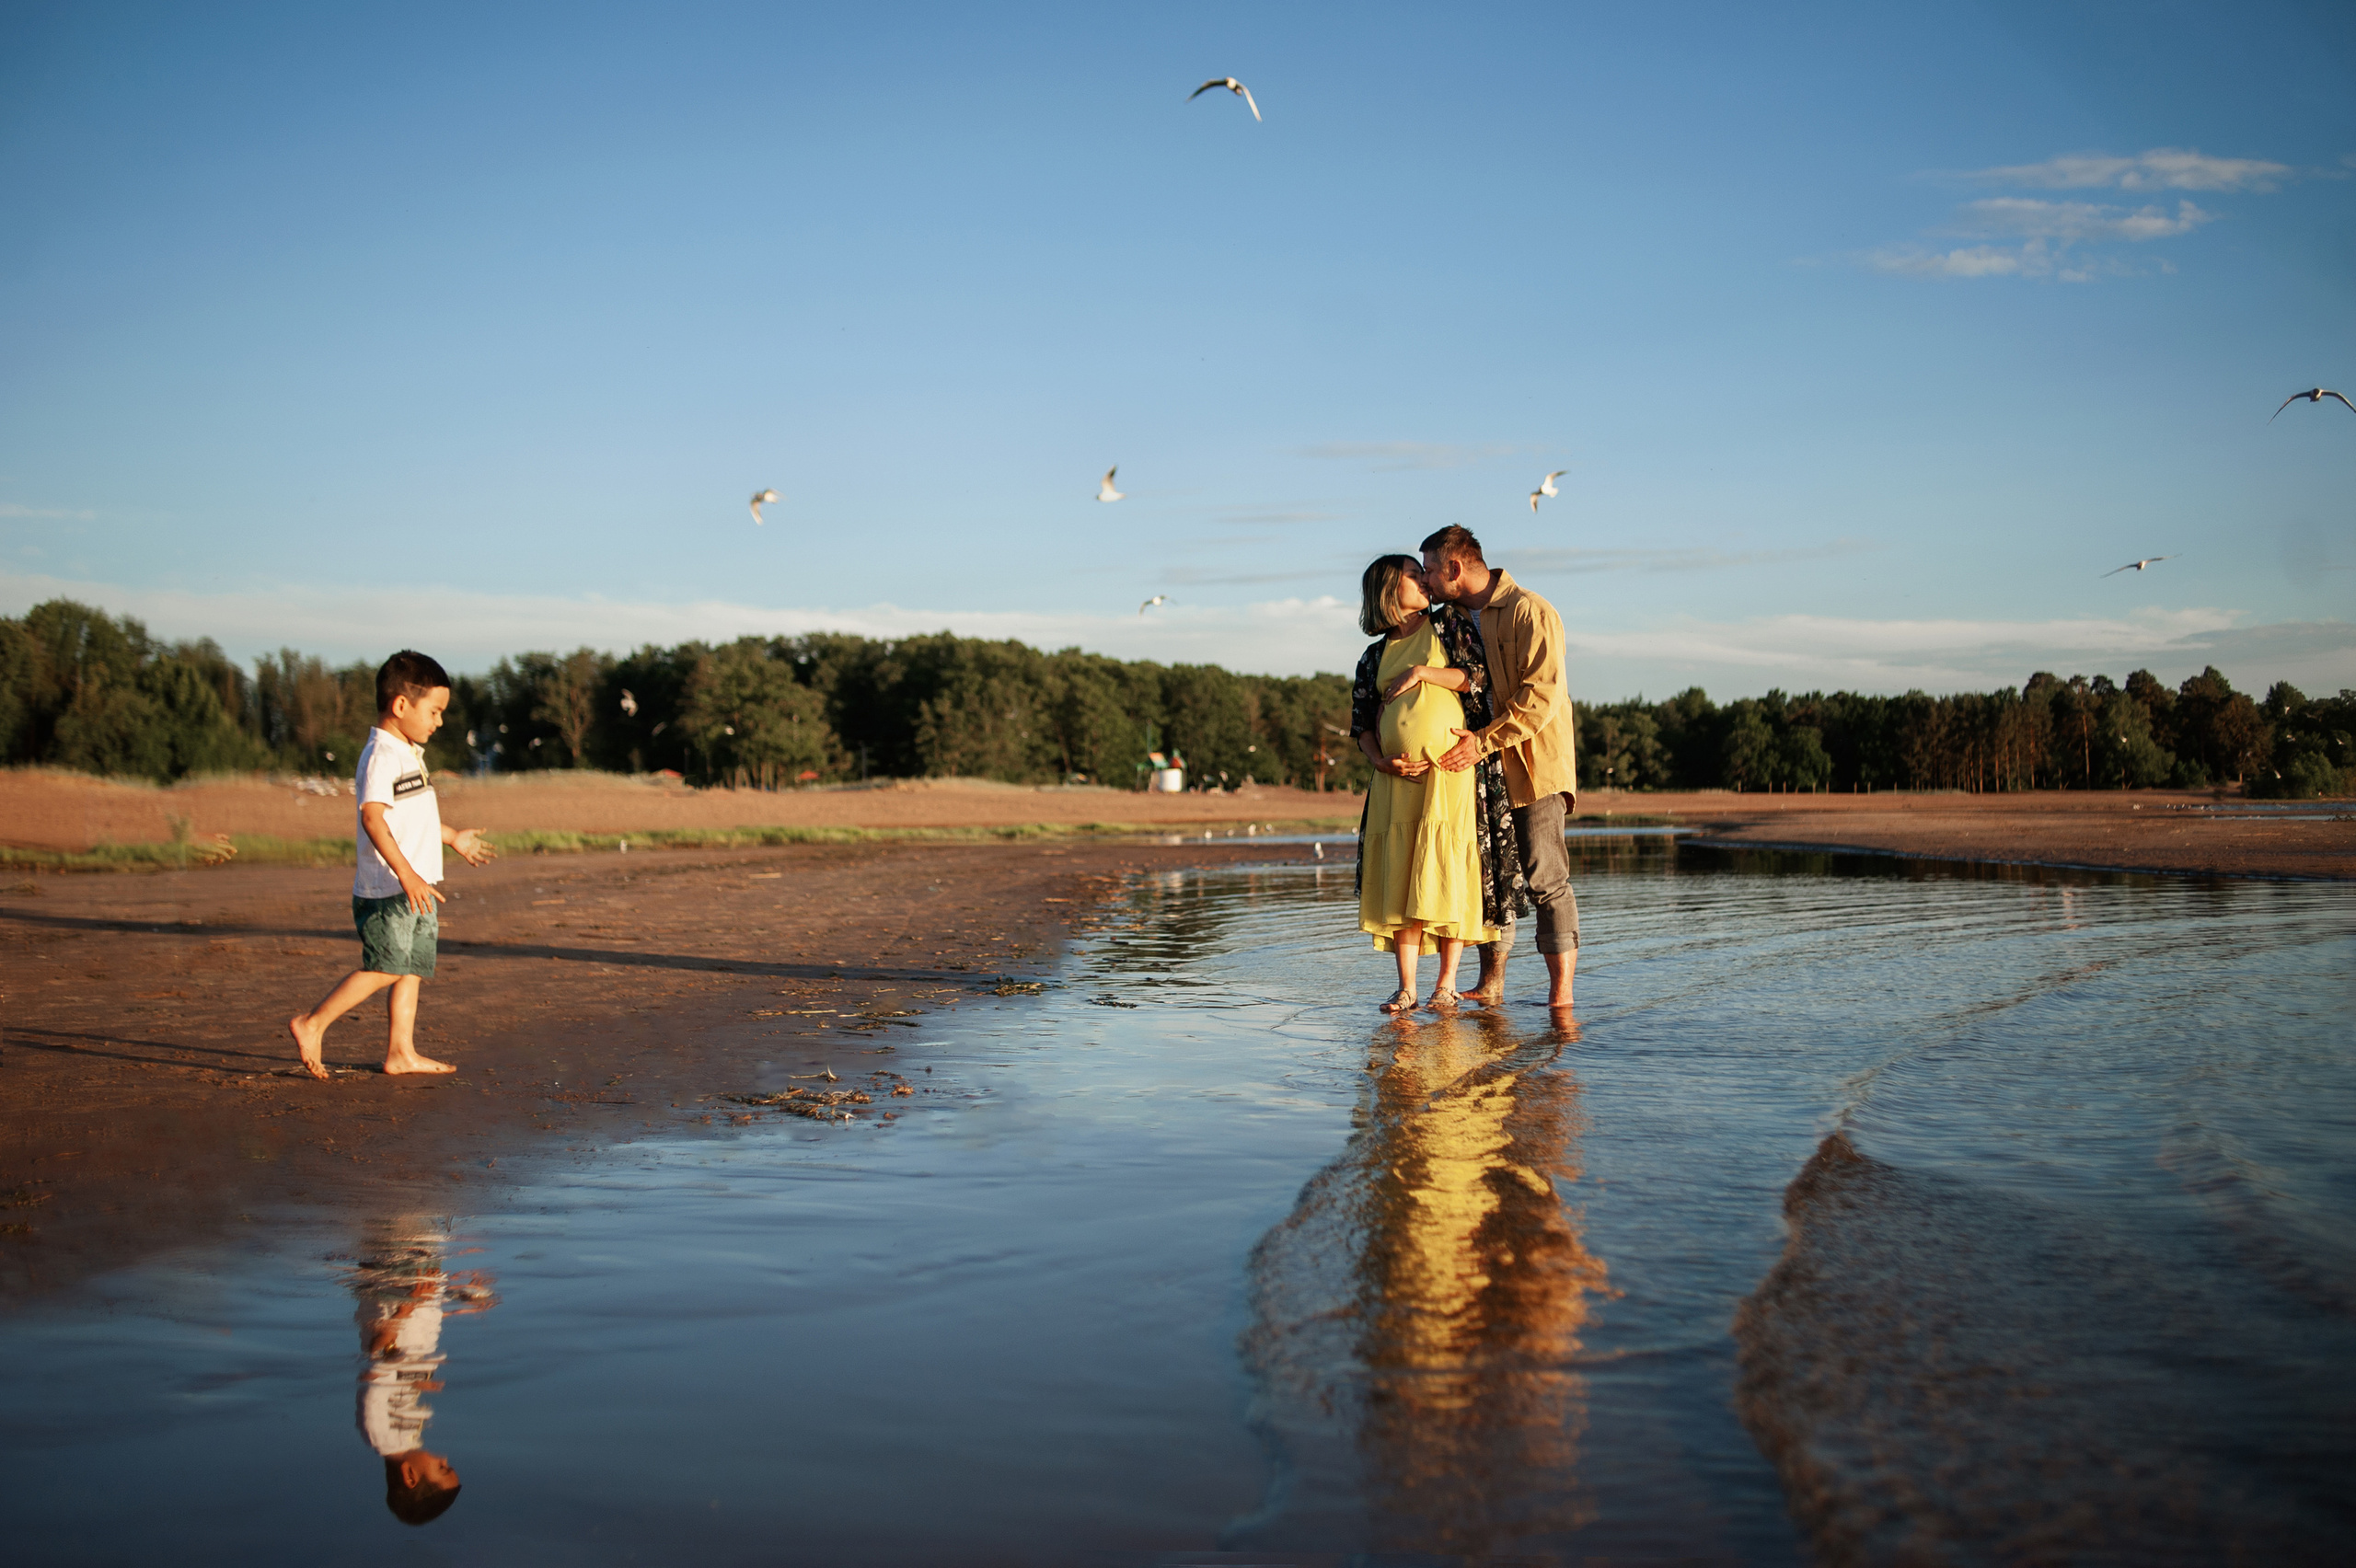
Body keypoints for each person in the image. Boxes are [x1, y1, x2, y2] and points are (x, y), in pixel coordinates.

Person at [288, 650, 495, 1078]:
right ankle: (313, 1022)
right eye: (434, 711)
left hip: (417, 885)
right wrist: (406, 875)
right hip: (389, 888)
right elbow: (372, 817)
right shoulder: (382, 755)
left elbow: (413, 817)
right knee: (386, 966)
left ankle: (400, 1051)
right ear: (401, 706)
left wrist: (453, 837)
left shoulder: (408, 752)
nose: (439, 721)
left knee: (411, 969)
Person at [1420, 525, 1581, 1009]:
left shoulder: (1530, 610)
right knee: (1489, 876)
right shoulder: (1447, 617)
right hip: (1478, 768)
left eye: (1430, 570)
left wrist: (1483, 743)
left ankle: (1562, 1000)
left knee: (1544, 876)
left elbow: (1542, 696)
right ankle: (1492, 984)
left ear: (1454, 568)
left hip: (1533, 765)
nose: (1425, 580)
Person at [1350, 556, 1503, 1011]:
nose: (1424, 581)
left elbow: (1477, 677)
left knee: (1447, 869)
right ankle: (1408, 988)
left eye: (1424, 573)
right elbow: (1361, 722)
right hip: (1396, 783)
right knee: (1402, 874)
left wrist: (1419, 673)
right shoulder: (1373, 655)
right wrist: (1381, 761)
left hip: (1448, 772)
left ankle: (1446, 985)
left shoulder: (1447, 625)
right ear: (1388, 590)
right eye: (1414, 576)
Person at [346, 1216, 499, 1526]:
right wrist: (462, 1298)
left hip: (394, 1291)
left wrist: (405, 1308)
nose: (444, 1458)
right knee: (424, 1238)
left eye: (441, 1468)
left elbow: (376, 1365)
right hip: (412, 1303)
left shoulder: (380, 1436)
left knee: (403, 1224)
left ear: (410, 1476)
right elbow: (400, 1383)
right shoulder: (406, 1438)